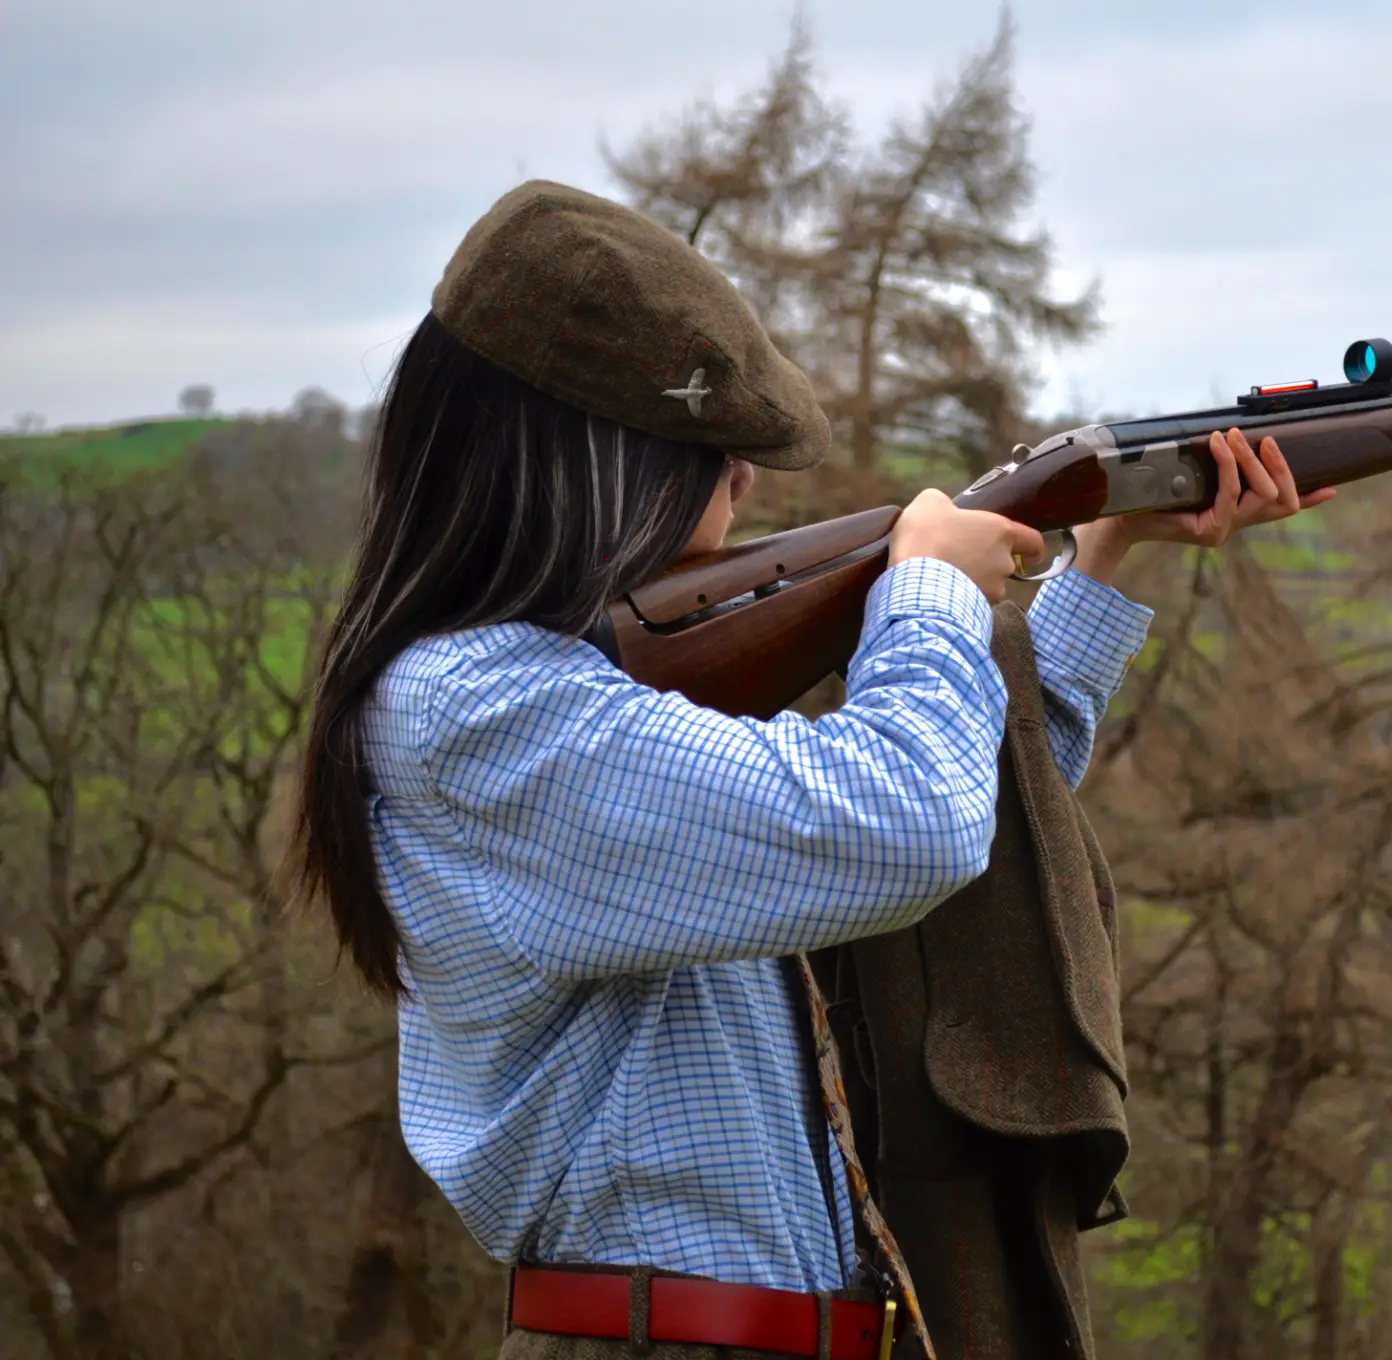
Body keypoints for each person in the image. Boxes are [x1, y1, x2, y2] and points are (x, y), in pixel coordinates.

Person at [293, 180, 1330, 1360]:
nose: (742, 482)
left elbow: (970, 810)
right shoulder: (476, 711)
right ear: (594, 463)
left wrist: (1101, 549)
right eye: (709, 452)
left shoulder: (567, 697)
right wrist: (928, 587)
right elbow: (907, 823)